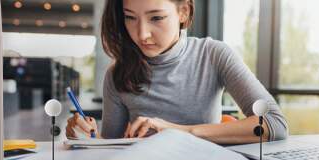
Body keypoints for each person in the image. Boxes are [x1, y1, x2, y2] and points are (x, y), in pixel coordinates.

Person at [66, 0, 288, 145]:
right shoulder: (117, 74)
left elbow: (274, 124)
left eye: (156, 18)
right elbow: (110, 148)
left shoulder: (213, 55)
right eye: (130, 17)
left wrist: (179, 131)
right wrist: (86, 138)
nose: (142, 34)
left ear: (183, 12)